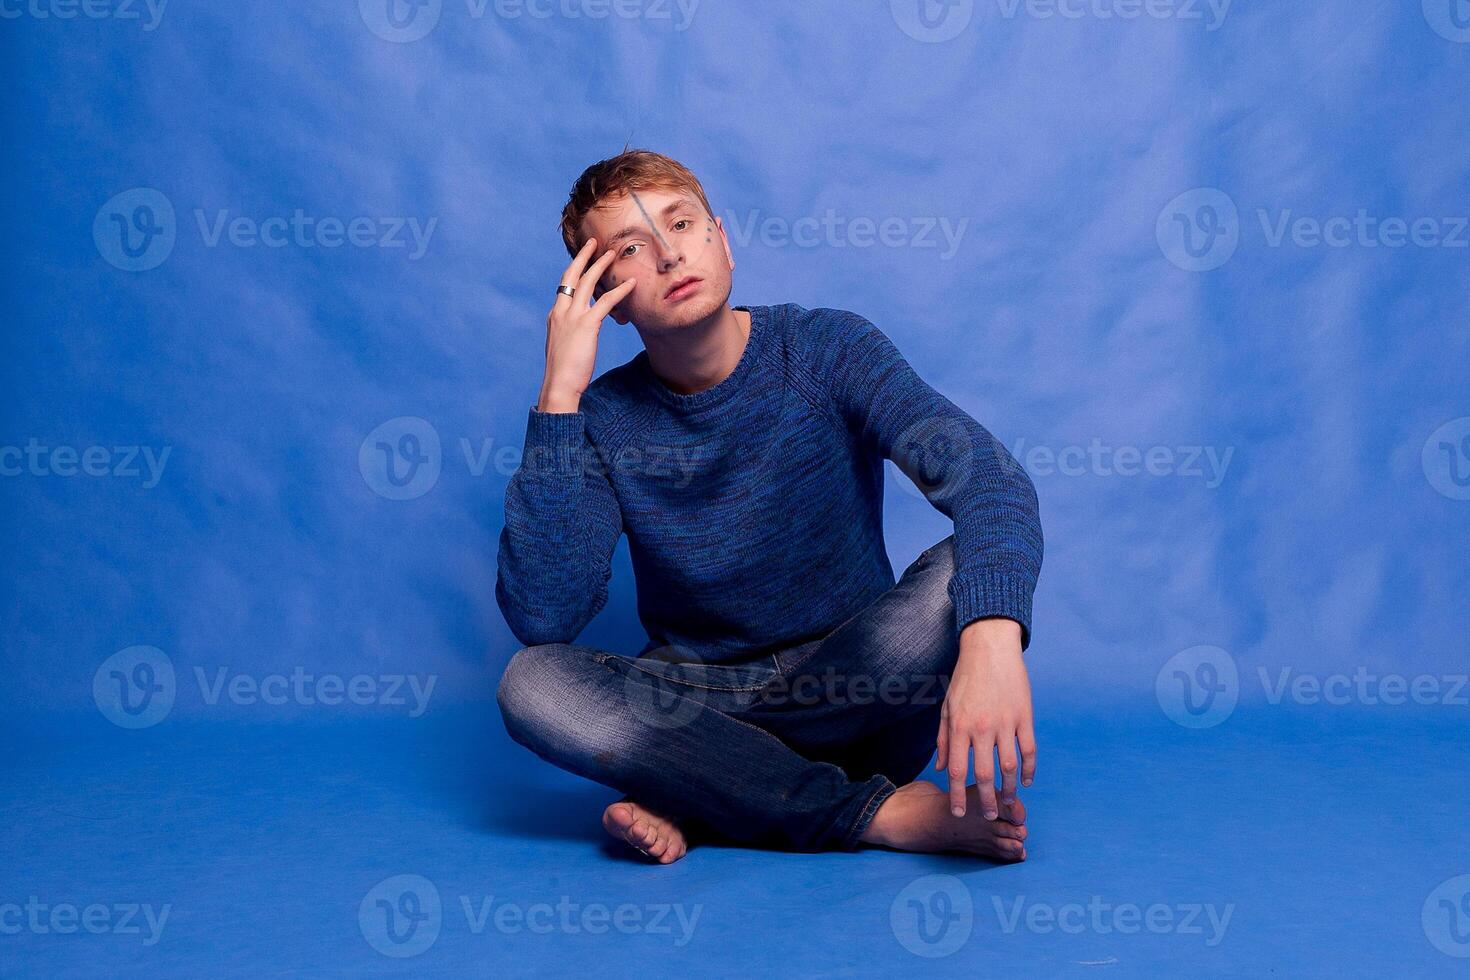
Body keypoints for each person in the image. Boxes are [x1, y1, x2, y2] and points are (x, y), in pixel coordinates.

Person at [494, 149, 1043, 865]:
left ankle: (707, 790)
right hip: (702, 698)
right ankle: (866, 810)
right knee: (531, 683)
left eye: (681, 223)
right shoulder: (600, 420)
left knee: (953, 580)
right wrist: (560, 393)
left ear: (721, 238)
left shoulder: (826, 349)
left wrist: (994, 637)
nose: (667, 255)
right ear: (605, 297)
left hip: (861, 684)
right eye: (630, 249)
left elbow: (992, 481)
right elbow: (545, 614)